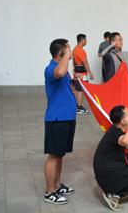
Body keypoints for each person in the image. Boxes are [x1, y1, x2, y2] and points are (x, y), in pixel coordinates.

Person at [43, 39, 76, 205]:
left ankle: (56, 185)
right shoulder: (51, 69)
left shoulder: (64, 70)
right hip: (57, 119)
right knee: (54, 156)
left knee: (60, 155)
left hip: (67, 117)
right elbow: (59, 73)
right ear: (61, 53)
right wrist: (67, 56)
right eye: (68, 50)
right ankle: (50, 192)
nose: (71, 52)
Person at [73, 33, 93, 115]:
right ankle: (79, 107)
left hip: (77, 72)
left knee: (77, 89)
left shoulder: (75, 49)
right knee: (80, 90)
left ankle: (76, 106)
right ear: (82, 40)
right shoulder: (80, 50)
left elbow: (74, 62)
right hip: (82, 73)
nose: (86, 41)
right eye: (85, 40)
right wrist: (90, 73)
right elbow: (84, 62)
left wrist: (74, 71)